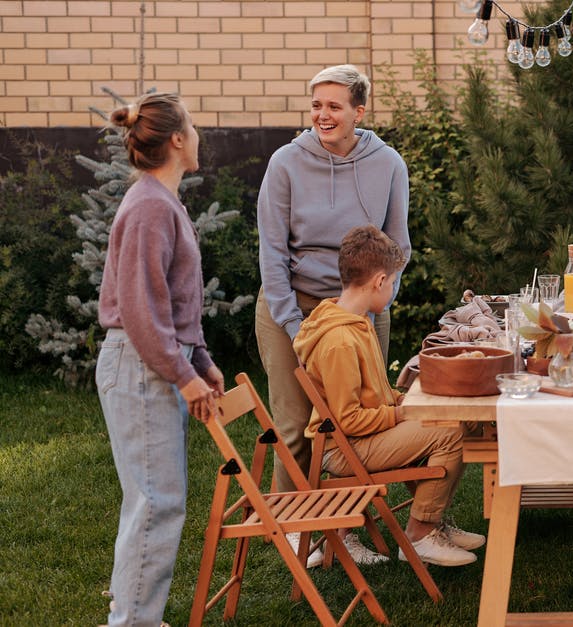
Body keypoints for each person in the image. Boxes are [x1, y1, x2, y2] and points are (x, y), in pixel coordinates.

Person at [256, 64, 411, 511]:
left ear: (358, 111)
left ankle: (350, 522)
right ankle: (293, 523)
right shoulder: (286, 162)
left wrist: (379, 301)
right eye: (316, 106)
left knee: (363, 417)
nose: (323, 115)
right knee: (294, 422)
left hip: (361, 307)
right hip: (293, 302)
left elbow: (397, 244)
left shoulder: (388, 164)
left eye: (334, 106)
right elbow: (271, 250)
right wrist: (291, 322)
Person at [96, 93, 224, 626]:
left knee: (150, 501)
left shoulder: (161, 200)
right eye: (192, 126)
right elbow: (142, 310)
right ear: (176, 139)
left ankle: (133, 613)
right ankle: (133, 622)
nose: (197, 134)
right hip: (142, 363)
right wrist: (183, 375)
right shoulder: (150, 205)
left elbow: (171, 301)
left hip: (152, 358)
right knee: (155, 503)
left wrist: (201, 358)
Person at [293, 225, 485, 567]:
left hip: (364, 435)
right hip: (341, 450)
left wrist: (402, 399)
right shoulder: (339, 341)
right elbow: (348, 419)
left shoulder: (358, 322)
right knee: (450, 432)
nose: (393, 290)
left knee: (462, 419)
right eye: (394, 282)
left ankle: (434, 522)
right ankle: (420, 535)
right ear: (379, 281)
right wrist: (402, 414)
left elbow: (374, 394)